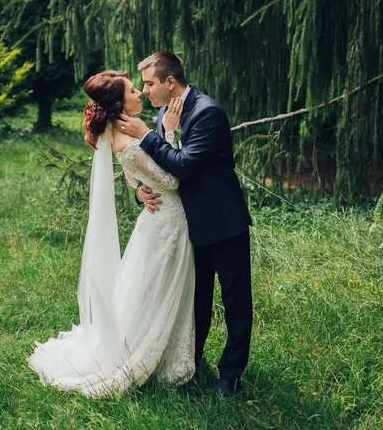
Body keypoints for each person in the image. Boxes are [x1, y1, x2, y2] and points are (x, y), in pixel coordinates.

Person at [28, 71, 195, 397]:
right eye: (134, 90)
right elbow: (172, 180)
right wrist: (171, 134)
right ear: (120, 102)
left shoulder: (121, 133)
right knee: (161, 291)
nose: (140, 93)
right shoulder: (127, 139)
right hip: (167, 221)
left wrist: (140, 190)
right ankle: (158, 361)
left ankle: (167, 358)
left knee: (154, 291)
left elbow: (135, 176)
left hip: (160, 218)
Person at [117, 52, 252, 395]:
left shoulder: (208, 112)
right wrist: (140, 193)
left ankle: (231, 373)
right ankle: (191, 360)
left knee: (235, 298)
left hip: (222, 221)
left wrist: (150, 135)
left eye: (149, 83)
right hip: (187, 226)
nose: (145, 91)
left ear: (170, 82)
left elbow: (185, 165)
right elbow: (157, 170)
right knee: (197, 297)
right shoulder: (165, 112)